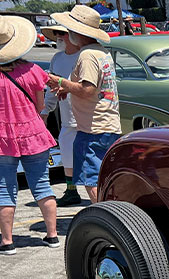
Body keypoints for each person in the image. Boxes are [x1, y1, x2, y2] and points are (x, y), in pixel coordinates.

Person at [47, 5, 120, 204]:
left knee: (91, 180)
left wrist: (61, 82)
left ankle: (105, 220)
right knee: (103, 177)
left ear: (77, 33)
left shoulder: (86, 55)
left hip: (93, 128)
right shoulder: (100, 52)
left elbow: (88, 89)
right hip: (106, 124)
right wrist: (68, 88)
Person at [0, 16, 60, 255]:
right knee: (43, 186)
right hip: (34, 134)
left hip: (3, 139)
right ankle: (52, 236)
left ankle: (7, 242)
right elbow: (39, 105)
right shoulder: (34, 70)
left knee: (5, 190)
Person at [41, 24, 81, 206]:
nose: (58, 37)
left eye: (61, 34)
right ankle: (71, 190)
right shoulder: (57, 58)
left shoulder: (84, 56)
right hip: (67, 116)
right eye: (56, 34)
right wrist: (45, 110)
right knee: (66, 152)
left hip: (88, 116)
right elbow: (51, 89)